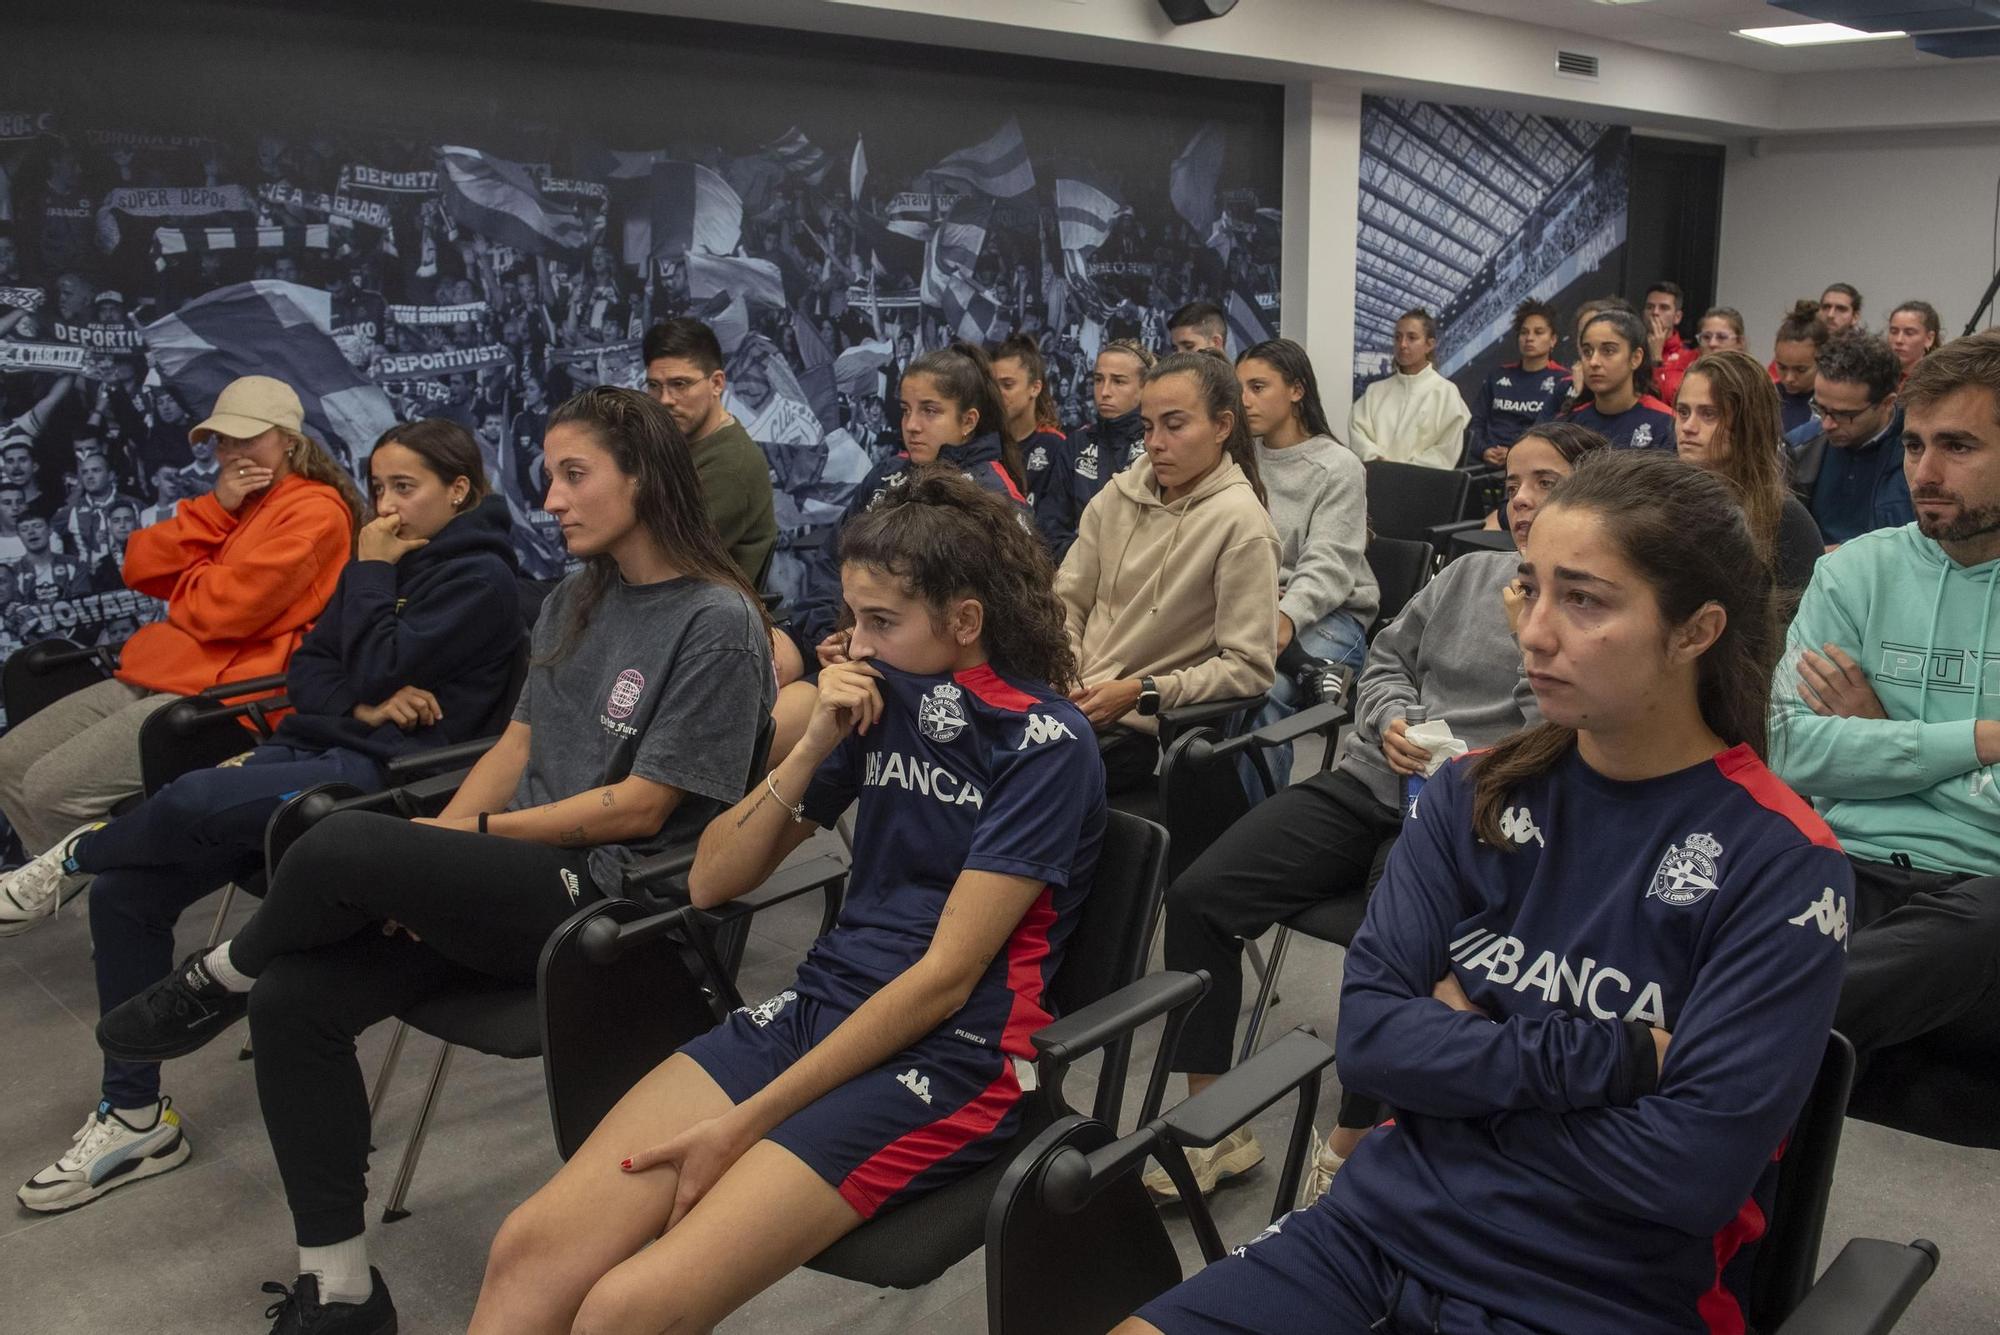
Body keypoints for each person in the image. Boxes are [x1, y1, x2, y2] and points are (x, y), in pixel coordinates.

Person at [1123, 449, 1849, 1335]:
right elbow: (1374, 1043)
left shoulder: (1784, 860)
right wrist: (1610, 1062)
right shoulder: (1473, 789)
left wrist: (1461, 1070)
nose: (1535, 631)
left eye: (1584, 599)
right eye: (1531, 588)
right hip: (1375, 1230)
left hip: (1594, 1286)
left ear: (1695, 631)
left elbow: (1684, 1173)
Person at [95, 387, 776, 1330]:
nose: (551, 500)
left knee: (337, 834)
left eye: (575, 476)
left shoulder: (716, 621)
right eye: (550, 477)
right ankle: (340, 1289)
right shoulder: (576, 597)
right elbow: (515, 749)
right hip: (515, 885)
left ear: (646, 479)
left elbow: (642, 807)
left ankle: (219, 974)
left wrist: (452, 852)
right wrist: (435, 861)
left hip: (615, 902)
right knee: (298, 1000)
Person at [470, 469, 1104, 1334]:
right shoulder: (874, 703)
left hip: (956, 1055)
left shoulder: (1044, 742)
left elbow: (945, 980)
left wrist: (745, 1124)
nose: (854, 645)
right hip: (817, 1008)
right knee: (528, 1246)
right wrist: (810, 747)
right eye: (851, 619)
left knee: (626, 1308)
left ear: (964, 621)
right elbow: (710, 881)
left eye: (882, 622)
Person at [11, 421, 524, 1208]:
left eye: (405, 488)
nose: (384, 507)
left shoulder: (480, 579)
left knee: (182, 796)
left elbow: (384, 656)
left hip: (383, 784)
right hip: (320, 747)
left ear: (458, 491)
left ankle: (75, 857)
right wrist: (364, 696)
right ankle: (136, 1112)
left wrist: (371, 584)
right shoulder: (381, 561)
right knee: (128, 898)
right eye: (378, 486)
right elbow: (311, 670)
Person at [1148, 421, 1605, 1203]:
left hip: (1479, 812)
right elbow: (1386, 659)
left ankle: (1355, 1142)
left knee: (1390, 941)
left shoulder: (1593, 611)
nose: (1523, 500)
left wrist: (1529, 627)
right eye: (1516, 484)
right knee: (1198, 894)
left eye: (1548, 485)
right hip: (1377, 778)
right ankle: (1213, 1126)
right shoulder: (1466, 573)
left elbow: (1561, 735)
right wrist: (1389, 719)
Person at [0, 376, 362, 856]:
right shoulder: (232, 503)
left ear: (289, 443)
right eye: (223, 440)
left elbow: (225, 612)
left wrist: (187, 583)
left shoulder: (315, 511)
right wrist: (214, 511)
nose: (232, 452)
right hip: (163, 675)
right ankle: (58, 893)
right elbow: (139, 565)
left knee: (50, 790)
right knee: (9, 760)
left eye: (247, 438)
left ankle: (91, 908)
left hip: (228, 700)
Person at [1772, 328, 2000, 1083]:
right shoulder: (1855, 573)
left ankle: (1721, 1034)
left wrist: (1879, 735)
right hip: (1842, 862)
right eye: (1913, 445)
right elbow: (1791, 750)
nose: (1924, 473)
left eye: (1958, 446)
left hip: (1980, 889)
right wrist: (1977, 740)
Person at [1057, 351, 1279, 793]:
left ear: (1222, 427)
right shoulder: (1116, 497)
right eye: (1147, 427)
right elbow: (1066, 600)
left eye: (1174, 426)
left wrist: (1143, 691)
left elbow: (1249, 669)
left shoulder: (1242, 524)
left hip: (1135, 730)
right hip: (1066, 696)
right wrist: (1066, 667)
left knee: (1012, 785)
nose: (1155, 442)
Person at [792, 342, 1028, 655]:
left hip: (919, 664)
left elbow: (1001, 614)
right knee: (769, 660)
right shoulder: (886, 472)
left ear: (968, 421)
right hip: (839, 641)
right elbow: (832, 563)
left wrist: (863, 642)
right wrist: (825, 634)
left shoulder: (992, 495)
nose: (912, 426)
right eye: (906, 410)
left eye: (930, 411)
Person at [1235, 338, 1376, 786]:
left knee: (1263, 694)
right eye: (1239, 389)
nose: (1245, 401)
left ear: (1296, 391)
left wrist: (1285, 617)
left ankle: (1255, 835)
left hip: (1329, 614)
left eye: (1258, 387)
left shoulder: (1338, 466)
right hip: (1256, 605)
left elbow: (1328, 566)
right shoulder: (1239, 459)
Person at [641, 317, 778, 590]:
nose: (665, 399)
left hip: (698, 617)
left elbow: (663, 566)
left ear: (716, 384)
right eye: (654, 386)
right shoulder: (674, 445)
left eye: (680, 384)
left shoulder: (732, 465)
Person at [1675, 349, 1825, 594]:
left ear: (1748, 423)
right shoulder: (1663, 505)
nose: (1688, 427)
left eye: (1709, 414)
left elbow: (1800, 625)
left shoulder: (1787, 521)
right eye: (1683, 412)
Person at [1784, 330, 1913, 545]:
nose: (1827, 424)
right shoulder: (1800, 446)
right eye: (1820, 408)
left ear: (1887, 403)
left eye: (1844, 415)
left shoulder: (1919, 452)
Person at [1037, 339, 1155, 560]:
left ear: (1144, 387)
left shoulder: (1157, 443)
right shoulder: (1076, 444)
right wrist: (1086, 562)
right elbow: (1049, 526)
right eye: (1099, 380)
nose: (1105, 391)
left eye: (1118, 381)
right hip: (1078, 577)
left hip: (1142, 578)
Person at [1348, 309, 1470, 470]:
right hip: (1374, 482)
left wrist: (1403, 473)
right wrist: (1376, 460)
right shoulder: (1374, 392)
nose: (1402, 344)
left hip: (1421, 487)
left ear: (1429, 345)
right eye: (1398, 337)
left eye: (1412, 338)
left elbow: (1444, 452)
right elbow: (1359, 435)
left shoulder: (1446, 393)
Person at [1467, 299, 1569, 468]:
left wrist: (1516, 453)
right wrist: (1483, 450)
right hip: (1484, 465)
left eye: (1538, 332)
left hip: (1532, 466)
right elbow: (1476, 422)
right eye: (1524, 332)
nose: (1529, 338)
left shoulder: (1564, 381)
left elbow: (1558, 434)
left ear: (1553, 340)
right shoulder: (1497, 376)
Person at [1568, 307, 1676, 451]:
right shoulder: (1571, 423)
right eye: (1587, 351)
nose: (1593, 362)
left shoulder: (1665, 423)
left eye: (1608, 351)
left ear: (1635, 358)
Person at [989, 331, 1068, 522]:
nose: (999, 394)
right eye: (993, 385)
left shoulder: (1056, 447)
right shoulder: (982, 444)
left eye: (1007, 385)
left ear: (1035, 387)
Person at [1772, 299, 1828, 435]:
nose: (1789, 378)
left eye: (1801, 370)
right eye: (1782, 367)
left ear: (1822, 361)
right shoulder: (1765, 399)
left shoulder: (1831, 406)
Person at [1642, 280, 1697, 403]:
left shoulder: (1690, 357)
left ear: (1677, 317)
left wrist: (1656, 358)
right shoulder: (1631, 350)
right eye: (1649, 307)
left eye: (1664, 308)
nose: (1655, 312)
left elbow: (1667, 400)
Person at [1887, 300, 1942, 386]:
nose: (1899, 340)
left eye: (1909, 333)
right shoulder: (1873, 376)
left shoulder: (1938, 384)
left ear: (1929, 339)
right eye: (1894, 332)